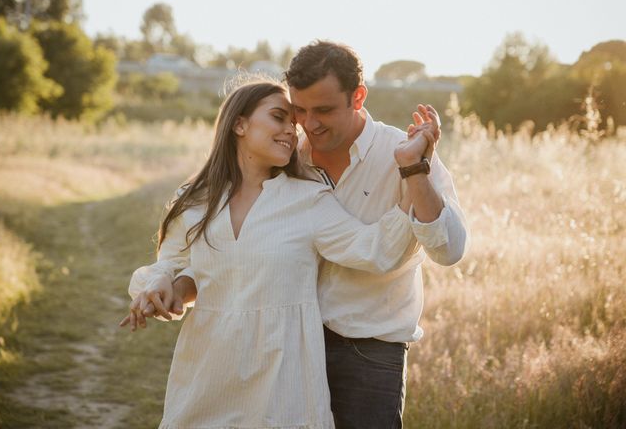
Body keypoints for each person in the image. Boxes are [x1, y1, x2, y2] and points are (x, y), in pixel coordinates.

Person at [120, 78, 439, 428]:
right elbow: (172, 263)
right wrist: (160, 285)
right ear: (239, 124)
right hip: (207, 372)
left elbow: (379, 250)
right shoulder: (196, 199)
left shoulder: (308, 199)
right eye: (278, 117)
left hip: (283, 382)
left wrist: (412, 168)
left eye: (292, 122)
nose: (291, 130)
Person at [284, 41, 469, 428]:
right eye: (299, 109)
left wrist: (414, 170)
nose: (309, 123)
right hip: (294, 342)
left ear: (358, 96)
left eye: (324, 110)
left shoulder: (401, 151)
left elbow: (450, 249)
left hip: (370, 352)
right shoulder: (287, 159)